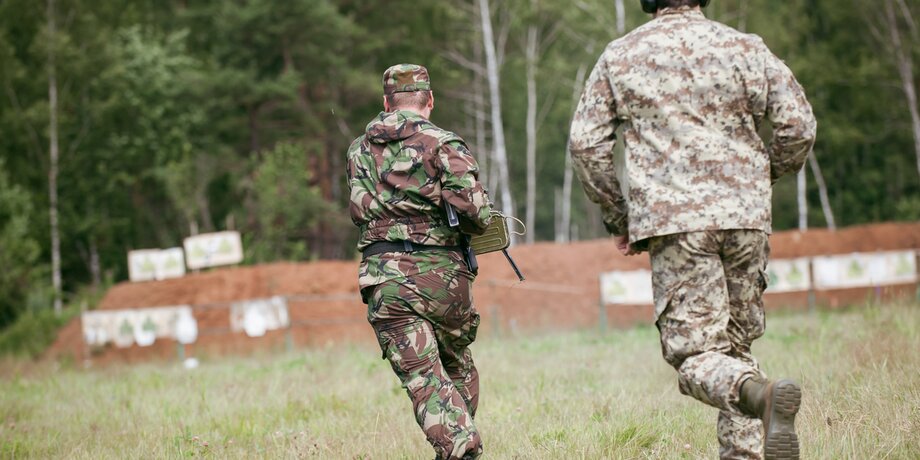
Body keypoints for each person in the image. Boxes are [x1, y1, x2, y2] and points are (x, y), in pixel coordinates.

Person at [568, 1, 817, 459]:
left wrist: (619, 217)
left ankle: (761, 396)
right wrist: (759, 181)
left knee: (694, 356)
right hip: (745, 218)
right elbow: (798, 126)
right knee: (735, 348)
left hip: (675, 224)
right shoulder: (746, 46)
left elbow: (585, 145)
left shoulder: (621, 56)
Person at [345, 63, 493, 460]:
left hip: (386, 280)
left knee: (423, 376)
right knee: (456, 364)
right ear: (430, 100)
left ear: (386, 102)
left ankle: (458, 444)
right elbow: (476, 212)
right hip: (444, 279)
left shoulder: (358, 150)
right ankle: (461, 443)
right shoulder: (444, 143)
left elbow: (359, 210)